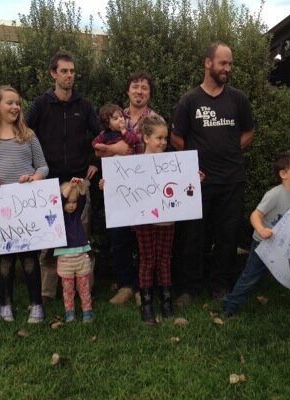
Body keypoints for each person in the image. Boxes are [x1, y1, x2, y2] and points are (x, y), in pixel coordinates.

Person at [171, 41, 254, 305]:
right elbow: (175, 138)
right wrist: (195, 162)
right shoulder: (190, 100)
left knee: (227, 237)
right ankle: (190, 288)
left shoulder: (238, 99)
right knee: (193, 236)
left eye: (229, 64)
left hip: (232, 180)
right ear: (208, 63)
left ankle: (220, 286)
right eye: (223, 63)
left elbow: (248, 132)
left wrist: (230, 150)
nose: (227, 68)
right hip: (198, 182)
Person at [0, 85, 48, 323]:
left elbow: (43, 166)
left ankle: (36, 304)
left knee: (29, 257)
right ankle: (5, 305)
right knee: (4, 259)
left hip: (25, 207)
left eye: (17, 103)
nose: (15, 107)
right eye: (9, 103)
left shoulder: (28, 135)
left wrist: (34, 178)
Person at [25, 51, 100, 301]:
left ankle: (84, 290)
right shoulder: (40, 105)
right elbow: (23, 136)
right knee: (48, 237)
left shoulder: (85, 105)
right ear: (53, 74)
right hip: (49, 182)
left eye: (72, 71)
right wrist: (33, 169)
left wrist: (94, 162)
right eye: (64, 71)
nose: (69, 75)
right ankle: (47, 293)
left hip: (79, 180)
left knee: (82, 234)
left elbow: (100, 138)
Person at [223, 153, 290, 326]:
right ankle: (229, 307)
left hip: (286, 246)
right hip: (264, 245)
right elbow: (255, 215)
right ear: (283, 174)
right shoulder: (274, 194)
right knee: (250, 277)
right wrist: (261, 229)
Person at [94, 72, 160, 306]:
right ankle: (125, 285)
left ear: (149, 93)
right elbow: (97, 150)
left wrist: (120, 148)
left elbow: (159, 149)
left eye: (144, 87)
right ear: (128, 91)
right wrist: (120, 149)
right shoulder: (114, 117)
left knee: (144, 239)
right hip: (118, 190)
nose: (139, 91)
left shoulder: (155, 119)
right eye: (135, 87)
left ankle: (144, 287)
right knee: (119, 238)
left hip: (144, 189)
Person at [131, 115, 176, 324]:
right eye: (159, 138)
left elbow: (182, 188)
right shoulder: (134, 164)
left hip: (167, 220)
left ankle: (167, 302)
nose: (163, 142)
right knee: (148, 260)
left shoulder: (173, 162)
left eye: (165, 138)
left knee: (164, 260)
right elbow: (123, 187)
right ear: (146, 138)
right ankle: (147, 304)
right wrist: (109, 184)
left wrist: (194, 178)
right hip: (143, 221)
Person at [54, 178, 92, 323]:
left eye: (73, 202)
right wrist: (70, 185)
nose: (71, 205)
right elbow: (61, 200)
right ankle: (69, 312)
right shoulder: (60, 216)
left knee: (84, 287)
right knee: (68, 289)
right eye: (68, 202)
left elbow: (82, 198)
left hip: (81, 256)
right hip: (64, 259)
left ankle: (87, 311)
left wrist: (80, 185)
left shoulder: (76, 215)